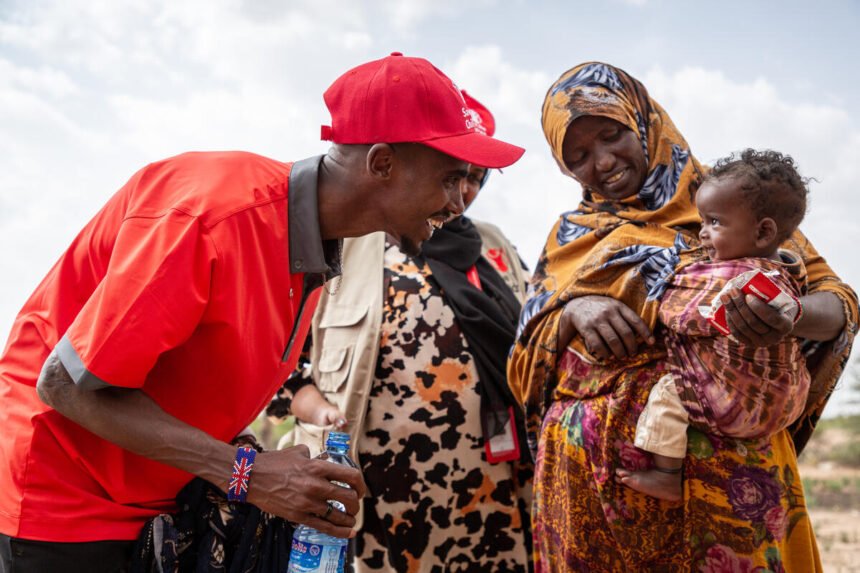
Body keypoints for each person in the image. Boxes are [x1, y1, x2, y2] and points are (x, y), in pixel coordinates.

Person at [0, 52, 525, 573]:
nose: (460, 201)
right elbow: (65, 385)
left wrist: (264, 460)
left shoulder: (319, 245)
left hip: (156, 500)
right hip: (63, 507)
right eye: (451, 178)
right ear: (382, 163)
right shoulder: (212, 215)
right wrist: (248, 474)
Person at [508, 62, 857, 572]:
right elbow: (524, 356)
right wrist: (574, 311)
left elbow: (838, 302)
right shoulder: (570, 235)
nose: (602, 162)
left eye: (612, 135)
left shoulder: (730, 201)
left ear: (645, 121)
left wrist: (790, 315)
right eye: (578, 155)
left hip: (726, 479)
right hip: (589, 485)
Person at [268, 92, 534, 572]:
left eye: (476, 179)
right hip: (382, 499)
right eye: (454, 177)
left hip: (492, 492)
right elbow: (280, 369)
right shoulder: (343, 248)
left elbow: (537, 332)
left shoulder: (494, 247)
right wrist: (322, 411)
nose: (464, 194)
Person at [618, 149, 812, 501]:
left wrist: (661, 292)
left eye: (714, 222)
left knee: (665, 394)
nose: (702, 234)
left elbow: (678, 314)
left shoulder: (722, 277)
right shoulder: (787, 271)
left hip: (735, 403)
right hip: (787, 400)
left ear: (763, 231)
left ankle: (665, 474)